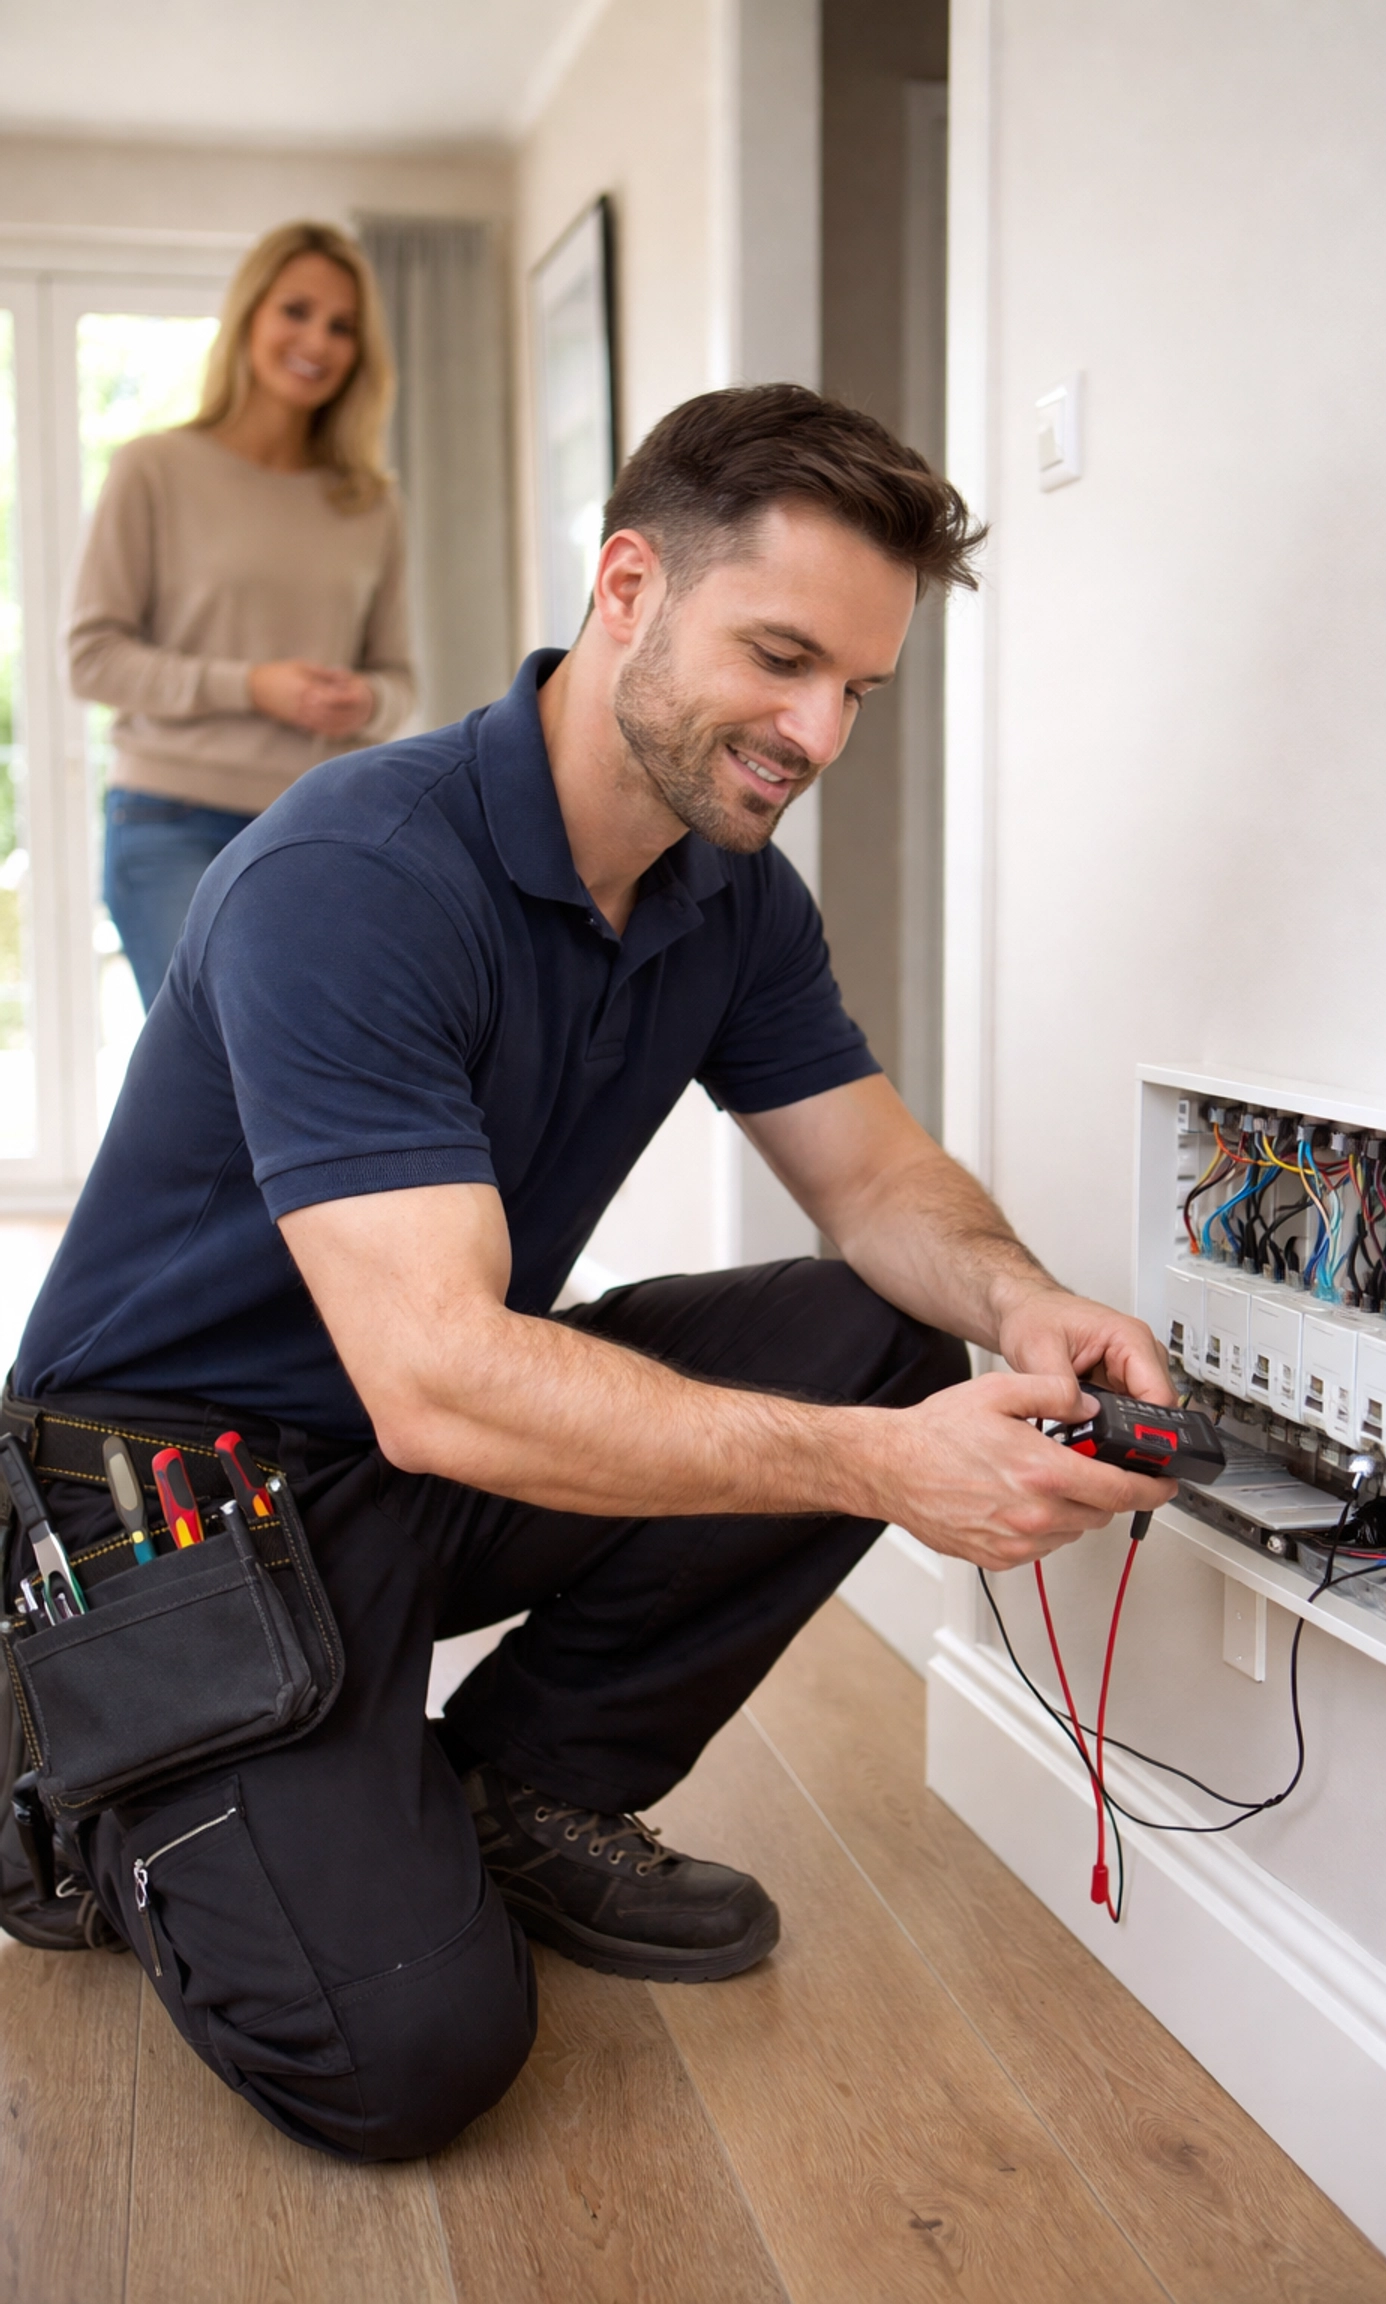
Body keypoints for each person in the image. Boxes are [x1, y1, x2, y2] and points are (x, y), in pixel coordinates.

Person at [8, 384, 1175, 2163]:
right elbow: (440, 1375)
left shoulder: (730, 894)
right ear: (628, 584)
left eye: (854, 686)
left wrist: (1014, 1301)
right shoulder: (358, 874)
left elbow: (870, 1178)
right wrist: (888, 1467)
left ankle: (515, 1789)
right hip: (167, 1505)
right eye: (781, 656)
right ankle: (65, 1784)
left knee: (883, 1321)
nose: (816, 731)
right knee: (406, 2060)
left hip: (411, 1455)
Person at [67, 220, 416, 1009]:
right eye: (295, 310)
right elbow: (91, 656)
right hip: (170, 823)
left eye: (342, 326)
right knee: (218, 1075)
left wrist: (367, 700)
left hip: (319, 822)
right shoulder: (153, 469)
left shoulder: (369, 503)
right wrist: (253, 686)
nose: (316, 341)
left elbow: (397, 676)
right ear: (249, 316)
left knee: (310, 1070)